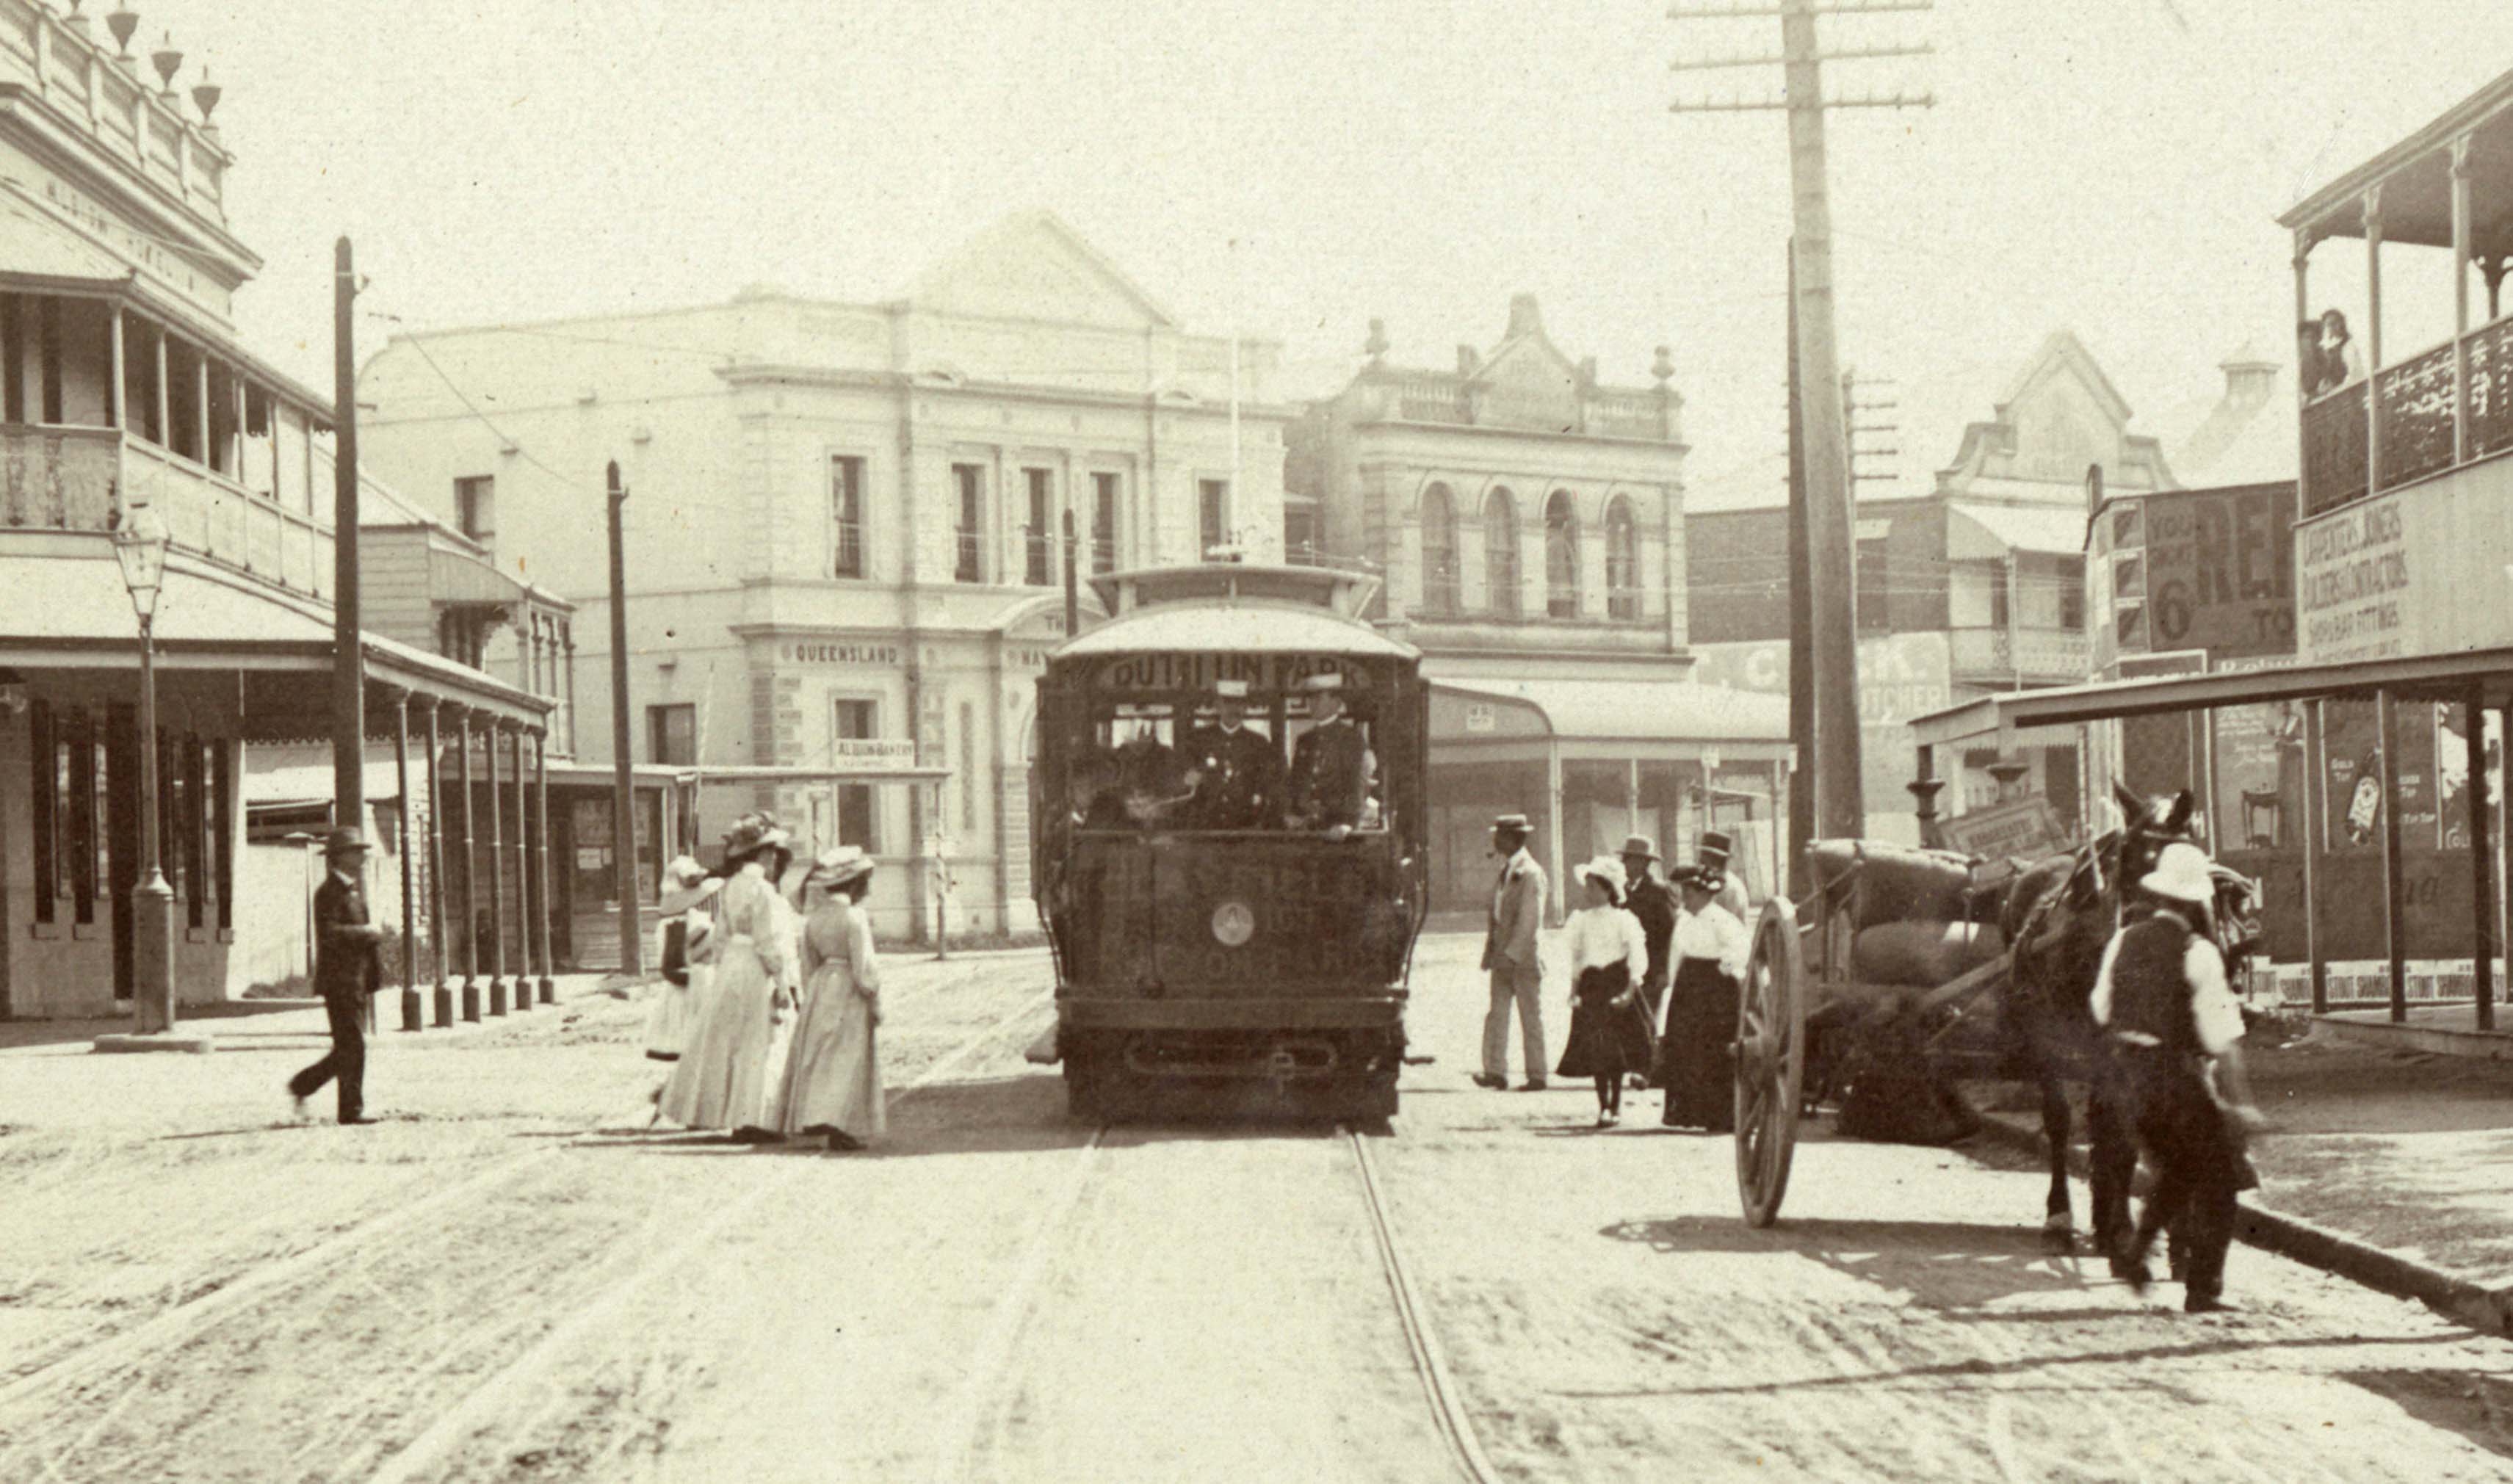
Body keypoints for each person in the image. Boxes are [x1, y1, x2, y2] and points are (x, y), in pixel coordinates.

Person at [2094, 841, 2261, 1314]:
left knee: (2180, 1168)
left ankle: (2134, 1249)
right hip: (2174, 1078)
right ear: (2197, 901)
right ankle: (2203, 1290)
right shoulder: (2199, 953)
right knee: (2221, 1178)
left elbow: (2100, 1008)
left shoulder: (2121, 941)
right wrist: (2243, 1102)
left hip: (2125, 1080)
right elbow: (2223, 1038)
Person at [659, 813, 798, 1142]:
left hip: (732, 966)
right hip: (756, 967)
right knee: (758, 1040)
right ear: (763, 854)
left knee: (728, 1039)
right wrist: (782, 983)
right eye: (773, 852)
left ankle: (724, 1112)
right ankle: (753, 1118)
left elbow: (722, 935)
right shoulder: (764, 891)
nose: (775, 858)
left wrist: (722, 969)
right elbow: (769, 941)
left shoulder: (733, 886)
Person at [775, 846, 886, 1152]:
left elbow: (807, 963)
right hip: (849, 987)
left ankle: (815, 1113)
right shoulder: (854, 917)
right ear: (853, 884)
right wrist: (873, 996)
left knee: (821, 1052)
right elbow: (864, 964)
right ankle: (838, 1120)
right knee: (846, 1056)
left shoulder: (814, 919)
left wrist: (811, 992)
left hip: (822, 986)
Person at [288, 828, 389, 1125]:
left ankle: (305, 1086)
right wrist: (366, 933)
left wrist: (372, 978)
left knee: (349, 1047)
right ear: (340, 857)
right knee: (353, 1046)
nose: (362, 857)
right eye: (356, 851)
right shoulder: (329, 893)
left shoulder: (353, 893)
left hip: (355, 981)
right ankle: (349, 1109)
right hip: (339, 982)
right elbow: (330, 934)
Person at [1555, 857, 1655, 1126]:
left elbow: (1637, 955)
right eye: (1587, 887)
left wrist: (1631, 990)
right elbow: (1577, 958)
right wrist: (1574, 990)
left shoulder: (1624, 919)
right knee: (1598, 1049)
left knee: (1617, 1049)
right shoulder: (1581, 920)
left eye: (1595, 887)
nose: (1589, 892)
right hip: (1592, 986)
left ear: (1609, 889)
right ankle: (1603, 1106)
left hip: (1615, 983)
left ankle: (1616, 1103)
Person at [1656, 856, 1749, 1131]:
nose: (1685, 899)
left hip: (1715, 989)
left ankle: (1717, 1114)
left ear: (1704, 893)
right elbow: (1677, 953)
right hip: (1689, 986)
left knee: (1712, 1049)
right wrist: (1674, 983)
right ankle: (1688, 1112)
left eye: (1689, 893)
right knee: (1684, 1047)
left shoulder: (1723, 919)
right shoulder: (1684, 920)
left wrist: (1723, 969)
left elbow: (1740, 950)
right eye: (1683, 893)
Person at [1475, 813, 1550, 1091]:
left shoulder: (1530, 873)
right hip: (1502, 956)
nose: (1495, 841)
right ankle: (1496, 1070)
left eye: (1500, 835)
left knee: (1530, 1015)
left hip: (1524, 957)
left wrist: (1513, 952)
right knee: (1498, 1014)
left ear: (1512, 838)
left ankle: (1537, 1074)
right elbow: (1497, 915)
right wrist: (1492, 951)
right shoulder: (1507, 871)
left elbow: (1530, 919)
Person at [1179, 680, 1281, 829]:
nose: (1234, 709)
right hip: (1206, 827)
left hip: (1245, 827)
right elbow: (1182, 782)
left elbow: (1268, 785)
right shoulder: (1199, 740)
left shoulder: (1259, 743)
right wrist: (1187, 780)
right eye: (1228, 703)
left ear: (1246, 707)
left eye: (1240, 704)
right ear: (1217, 706)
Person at [1619, 835, 1678, 1063]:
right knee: (1631, 1016)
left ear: (1644, 863)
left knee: (1649, 1016)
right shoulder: (1622, 891)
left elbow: (1671, 934)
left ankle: (1650, 1065)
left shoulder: (1659, 891)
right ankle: (1635, 1062)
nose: (1626, 865)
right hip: (1629, 966)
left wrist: (1664, 970)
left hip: (1652, 968)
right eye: (1625, 860)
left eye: (1631, 860)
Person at [1286, 673, 1368, 836]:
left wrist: (1348, 823)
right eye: (1310, 699)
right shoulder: (1305, 740)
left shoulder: (1350, 737)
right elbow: (1296, 781)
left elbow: (1357, 782)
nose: (1312, 704)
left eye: (1318, 699)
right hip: (1306, 827)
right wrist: (1292, 813)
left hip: (1336, 827)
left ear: (1336, 703)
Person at [1115, 718, 1200, 826]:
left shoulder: (1168, 757)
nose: (1142, 738)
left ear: (1153, 734)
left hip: (1163, 822)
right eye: (1138, 733)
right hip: (1123, 823)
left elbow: (1182, 786)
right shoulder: (1118, 757)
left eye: (1147, 733)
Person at [2318, 308, 2366, 394]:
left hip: (2345, 393)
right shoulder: (2324, 348)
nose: (2335, 327)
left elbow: (2355, 373)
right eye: (2330, 325)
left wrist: (2338, 390)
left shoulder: (2349, 346)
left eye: (2336, 323)